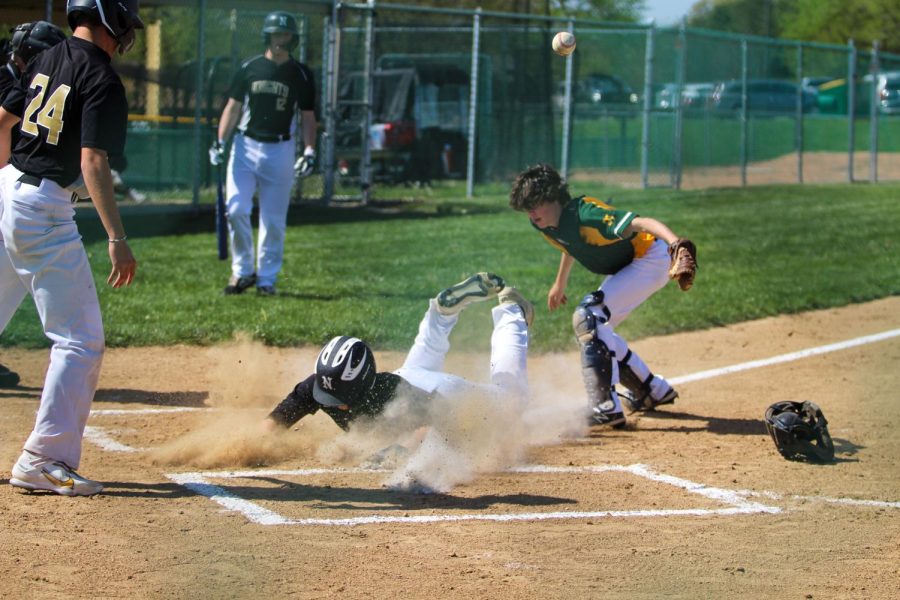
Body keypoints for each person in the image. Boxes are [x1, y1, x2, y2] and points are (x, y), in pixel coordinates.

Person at [0, 0, 142, 496]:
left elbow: (7, 121)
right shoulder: (101, 77)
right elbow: (92, 161)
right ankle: (45, 458)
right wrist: (117, 238)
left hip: (9, 188)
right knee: (80, 340)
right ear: (112, 20)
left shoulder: (46, 56)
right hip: (42, 210)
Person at [509, 164, 697, 428]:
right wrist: (559, 282)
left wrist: (677, 245)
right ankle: (650, 390)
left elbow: (640, 222)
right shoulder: (546, 224)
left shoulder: (587, 213)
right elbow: (570, 244)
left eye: (536, 203)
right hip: (634, 263)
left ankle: (605, 406)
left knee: (589, 317)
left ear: (553, 197)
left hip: (651, 258)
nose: (531, 212)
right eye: (526, 207)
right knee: (598, 328)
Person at [263, 273, 534, 445]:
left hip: (443, 392)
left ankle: (512, 311)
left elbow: (446, 418)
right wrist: (255, 445)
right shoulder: (322, 386)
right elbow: (274, 422)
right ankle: (441, 313)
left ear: (361, 385)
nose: (337, 406)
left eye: (342, 400)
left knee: (512, 399)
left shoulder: (398, 396)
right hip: (410, 375)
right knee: (424, 354)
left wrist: (416, 441)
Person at [209, 11, 318, 297]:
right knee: (236, 209)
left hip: (281, 150)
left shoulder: (302, 74)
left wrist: (309, 149)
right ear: (267, 36)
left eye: (286, 35)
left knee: (273, 221)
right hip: (246, 147)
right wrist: (220, 141)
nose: (281, 39)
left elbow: (308, 117)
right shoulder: (249, 68)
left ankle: (267, 279)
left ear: (293, 39)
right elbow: (232, 109)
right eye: (276, 34)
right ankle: (242, 272)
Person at [0, 21, 67, 388]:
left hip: (13, 186)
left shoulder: (30, 76)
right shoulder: (11, 78)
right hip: (10, 183)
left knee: (6, 271)